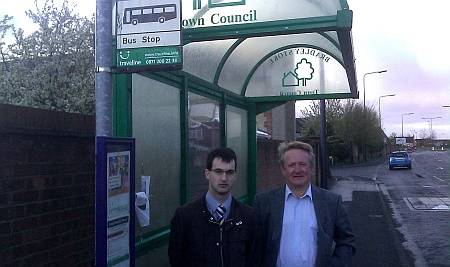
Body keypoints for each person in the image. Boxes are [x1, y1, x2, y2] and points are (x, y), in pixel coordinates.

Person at [253, 141, 356, 267]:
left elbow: (347, 241)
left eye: (303, 164)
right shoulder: (264, 202)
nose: (297, 170)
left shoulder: (332, 202)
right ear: (283, 170)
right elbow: (255, 246)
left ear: (311, 168)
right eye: (291, 165)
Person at [168, 147, 259, 267]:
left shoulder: (248, 216)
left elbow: (255, 259)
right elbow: (176, 259)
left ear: (235, 176)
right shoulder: (185, 216)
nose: (224, 178)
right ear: (207, 174)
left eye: (229, 172)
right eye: (218, 171)